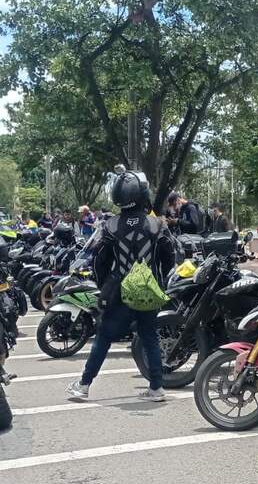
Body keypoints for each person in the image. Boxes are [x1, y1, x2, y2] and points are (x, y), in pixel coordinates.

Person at [66, 169, 176, 402]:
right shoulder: (156, 224)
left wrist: (105, 284)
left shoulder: (111, 225)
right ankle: (156, 388)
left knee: (104, 337)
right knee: (149, 337)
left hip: (120, 292)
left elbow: (99, 261)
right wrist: (156, 281)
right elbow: (169, 258)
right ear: (143, 193)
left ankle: (84, 385)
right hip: (147, 291)